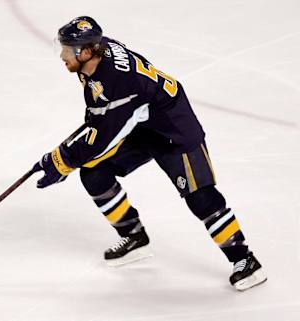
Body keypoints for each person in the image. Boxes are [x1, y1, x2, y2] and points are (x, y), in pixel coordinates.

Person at [32, 16, 267, 291]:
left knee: (200, 197)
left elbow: (102, 139)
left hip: (175, 130)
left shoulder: (119, 83)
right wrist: (93, 122)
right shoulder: (99, 53)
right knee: (96, 174)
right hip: (142, 124)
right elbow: (103, 112)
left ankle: (246, 261)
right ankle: (134, 237)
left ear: (85, 52)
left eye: (67, 49)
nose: (62, 55)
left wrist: (62, 161)